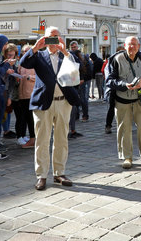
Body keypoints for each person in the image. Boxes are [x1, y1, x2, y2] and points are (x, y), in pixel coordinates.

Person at [19, 27, 80, 190]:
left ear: (61, 38)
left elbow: (77, 68)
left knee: (61, 139)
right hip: (43, 103)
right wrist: (35, 47)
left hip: (63, 102)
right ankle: (42, 175)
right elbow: (23, 63)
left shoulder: (66, 55)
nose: (53, 40)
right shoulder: (38, 55)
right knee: (42, 140)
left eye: (56, 37)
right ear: (44, 39)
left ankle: (59, 172)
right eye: (50, 37)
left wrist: (65, 51)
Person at [105, 36, 141, 169]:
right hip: (122, 100)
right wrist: (124, 84)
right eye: (129, 44)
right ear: (124, 45)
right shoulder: (116, 59)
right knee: (124, 129)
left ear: (139, 46)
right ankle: (127, 157)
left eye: (134, 44)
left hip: (140, 100)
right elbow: (109, 80)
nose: (132, 47)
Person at [15, 45, 36, 148]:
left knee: (31, 118)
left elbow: (40, 78)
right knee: (23, 117)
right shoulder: (21, 64)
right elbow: (18, 74)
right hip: (21, 94)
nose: (25, 53)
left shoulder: (36, 62)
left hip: (31, 93)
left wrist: (29, 77)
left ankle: (33, 137)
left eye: (27, 51)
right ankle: (24, 136)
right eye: (24, 51)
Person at [70, 41, 92, 122]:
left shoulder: (83, 56)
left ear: (78, 47)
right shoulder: (69, 56)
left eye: (75, 47)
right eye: (72, 47)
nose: (73, 48)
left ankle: (85, 115)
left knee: (83, 99)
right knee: (75, 98)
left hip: (82, 81)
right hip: (73, 81)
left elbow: (86, 69)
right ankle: (76, 115)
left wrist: (83, 79)